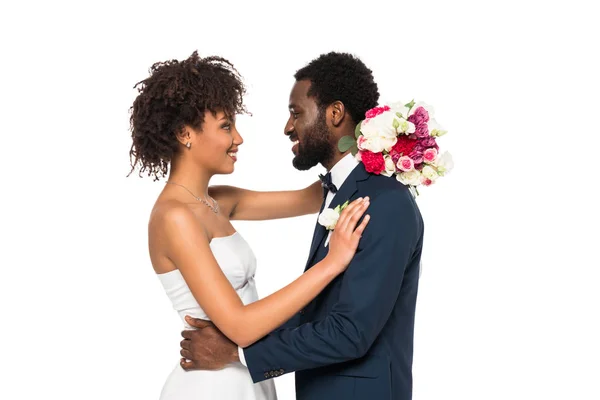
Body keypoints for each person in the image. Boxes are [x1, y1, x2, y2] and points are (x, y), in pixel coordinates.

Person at [179, 52, 424, 400]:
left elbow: (351, 332)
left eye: (296, 113)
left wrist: (238, 353)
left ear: (335, 113)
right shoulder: (336, 192)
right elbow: (319, 312)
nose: (288, 126)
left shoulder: (385, 202)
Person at [128, 51, 371, 400]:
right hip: (210, 385)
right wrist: (331, 264)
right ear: (185, 134)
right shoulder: (174, 217)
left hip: (243, 377)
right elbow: (240, 327)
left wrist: (379, 144)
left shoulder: (218, 201)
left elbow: (312, 196)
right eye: (226, 126)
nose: (238, 139)